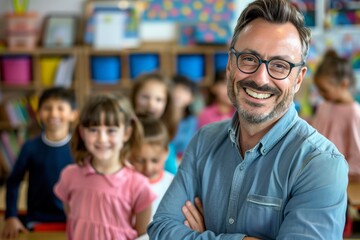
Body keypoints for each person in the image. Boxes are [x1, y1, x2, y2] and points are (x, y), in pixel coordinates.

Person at [147, 0, 349, 239]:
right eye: (249, 59)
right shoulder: (203, 141)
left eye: (280, 65)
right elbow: (161, 228)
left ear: (298, 79)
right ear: (230, 65)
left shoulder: (321, 164)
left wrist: (202, 236)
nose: (261, 78)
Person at [54, 94, 156, 240]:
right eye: (93, 130)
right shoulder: (69, 175)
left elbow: (143, 235)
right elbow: (71, 216)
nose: (102, 139)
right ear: (82, 133)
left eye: (111, 130)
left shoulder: (138, 185)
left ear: (126, 133)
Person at [2, 86, 78, 239]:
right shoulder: (30, 147)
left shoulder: (80, 148)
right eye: (47, 108)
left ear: (73, 114)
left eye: (60, 108)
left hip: (73, 221)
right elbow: (13, 181)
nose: (54, 113)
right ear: (39, 114)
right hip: (37, 220)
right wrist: (11, 216)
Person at [311, 49, 360, 182]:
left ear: (344, 84)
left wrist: (343, 176)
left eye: (324, 90)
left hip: (338, 179)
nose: (320, 94)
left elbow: (357, 154)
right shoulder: (324, 105)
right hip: (316, 173)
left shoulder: (353, 112)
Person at [131, 72, 178, 174]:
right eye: (145, 97)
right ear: (134, 97)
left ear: (167, 104)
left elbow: (172, 173)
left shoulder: (166, 134)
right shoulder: (126, 130)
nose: (151, 104)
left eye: (159, 99)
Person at [130, 117, 174, 218]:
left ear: (166, 153)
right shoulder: (127, 183)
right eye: (140, 160)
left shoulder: (173, 183)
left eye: (155, 160)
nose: (148, 168)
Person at [171, 74, 199, 158]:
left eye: (184, 90)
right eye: (175, 88)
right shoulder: (160, 117)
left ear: (192, 98)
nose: (178, 93)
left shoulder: (192, 121)